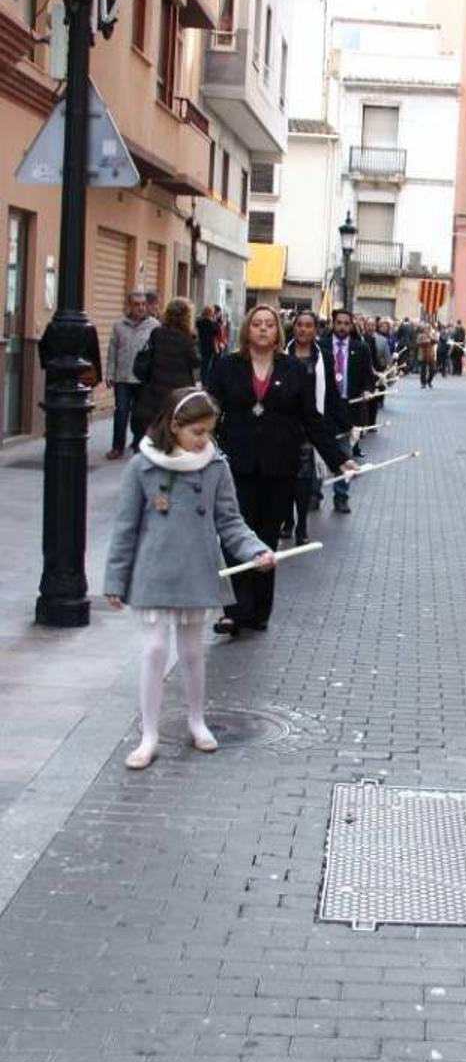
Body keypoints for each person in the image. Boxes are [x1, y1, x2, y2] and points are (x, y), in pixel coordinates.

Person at [104, 387, 274, 769]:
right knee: (153, 651)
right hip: (154, 571)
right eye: (197, 432)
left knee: (194, 652)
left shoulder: (216, 467)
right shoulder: (142, 466)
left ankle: (197, 722)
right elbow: (125, 527)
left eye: (209, 432)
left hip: (197, 568)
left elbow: (230, 521)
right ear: (174, 425)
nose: (205, 441)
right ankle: (148, 735)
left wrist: (255, 551)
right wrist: (115, 580)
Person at [206, 305, 353, 636]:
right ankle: (233, 610)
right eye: (256, 324)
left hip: (279, 465)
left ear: (277, 332)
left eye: (269, 324)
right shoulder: (228, 366)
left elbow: (311, 420)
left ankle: (259, 609)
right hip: (236, 464)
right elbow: (209, 410)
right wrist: (198, 446)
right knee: (234, 534)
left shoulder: (293, 370)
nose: (262, 329)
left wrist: (338, 458)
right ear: (247, 330)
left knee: (266, 536)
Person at [283, 309, 339, 544]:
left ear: (316, 329)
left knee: (304, 477)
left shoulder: (324, 356)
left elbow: (331, 393)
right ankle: (287, 520)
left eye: (308, 325)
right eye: (299, 325)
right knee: (284, 475)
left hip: (310, 425)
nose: (303, 329)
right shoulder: (282, 355)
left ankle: (302, 524)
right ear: (293, 327)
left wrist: (339, 421)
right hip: (284, 425)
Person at [321, 308, 379, 513]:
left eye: (347, 323)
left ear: (351, 325)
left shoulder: (360, 348)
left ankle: (341, 495)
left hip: (349, 407)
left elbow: (368, 376)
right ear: (333, 323)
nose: (343, 327)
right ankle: (313, 492)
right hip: (325, 408)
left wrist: (367, 390)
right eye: (339, 323)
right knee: (317, 452)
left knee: (344, 452)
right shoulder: (321, 346)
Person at [132, 296, 200, 442]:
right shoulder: (187, 338)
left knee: (157, 427)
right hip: (179, 391)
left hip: (156, 389)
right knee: (175, 427)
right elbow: (195, 362)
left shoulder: (157, 333)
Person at [105, 291, 154, 458]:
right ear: (129, 306)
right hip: (123, 377)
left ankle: (139, 445)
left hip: (143, 379)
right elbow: (113, 352)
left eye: (143, 304)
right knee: (121, 412)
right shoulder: (119, 326)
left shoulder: (154, 326)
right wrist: (110, 374)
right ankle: (117, 446)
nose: (140, 307)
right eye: (136, 304)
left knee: (140, 416)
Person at [196, 305, 221, 384]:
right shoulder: (210, 323)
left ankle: (203, 379)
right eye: (212, 313)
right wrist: (215, 321)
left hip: (202, 344)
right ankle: (205, 381)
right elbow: (216, 331)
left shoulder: (199, 321)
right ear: (210, 313)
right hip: (209, 346)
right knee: (208, 365)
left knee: (204, 364)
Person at [415, 320, 437, 388]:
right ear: (424, 329)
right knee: (423, 370)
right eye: (426, 329)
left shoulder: (432, 335)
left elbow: (435, 341)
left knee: (432, 370)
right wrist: (425, 342)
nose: (427, 330)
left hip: (431, 355)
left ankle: (429, 381)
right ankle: (423, 383)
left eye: (428, 328)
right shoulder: (420, 335)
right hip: (423, 354)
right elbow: (418, 343)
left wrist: (430, 337)